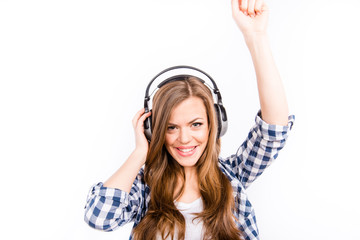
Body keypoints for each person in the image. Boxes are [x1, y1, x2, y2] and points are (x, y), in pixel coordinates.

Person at [84, 0, 295, 239]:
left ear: (214, 124)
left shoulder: (233, 176)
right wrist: (140, 154)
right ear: (154, 130)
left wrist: (256, 37)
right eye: (171, 127)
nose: (184, 138)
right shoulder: (144, 189)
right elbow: (99, 218)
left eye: (196, 124)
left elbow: (274, 130)